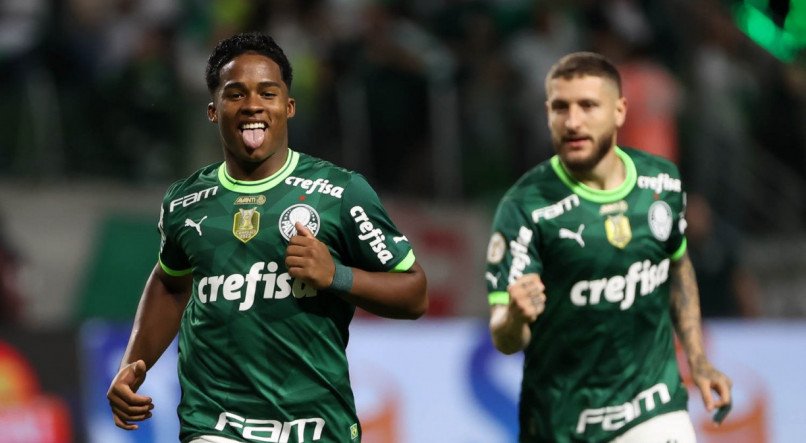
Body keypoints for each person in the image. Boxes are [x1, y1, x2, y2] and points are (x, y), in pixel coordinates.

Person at [106, 32, 428, 443]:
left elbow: (415, 292)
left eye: (268, 93)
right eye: (236, 94)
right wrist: (133, 364)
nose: (253, 105)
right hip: (215, 425)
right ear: (213, 109)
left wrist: (336, 276)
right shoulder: (186, 202)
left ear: (288, 107)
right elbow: (170, 283)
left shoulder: (341, 193)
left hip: (316, 427)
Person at [485, 52, 731, 442]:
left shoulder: (661, 182)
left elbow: (678, 266)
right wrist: (515, 316)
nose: (573, 121)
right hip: (563, 422)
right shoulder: (525, 206)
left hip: (653, 406)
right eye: (561, 107)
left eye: (588, 105)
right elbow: (503, 335)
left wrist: (698, 361)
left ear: (619, 111)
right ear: (548, 113)